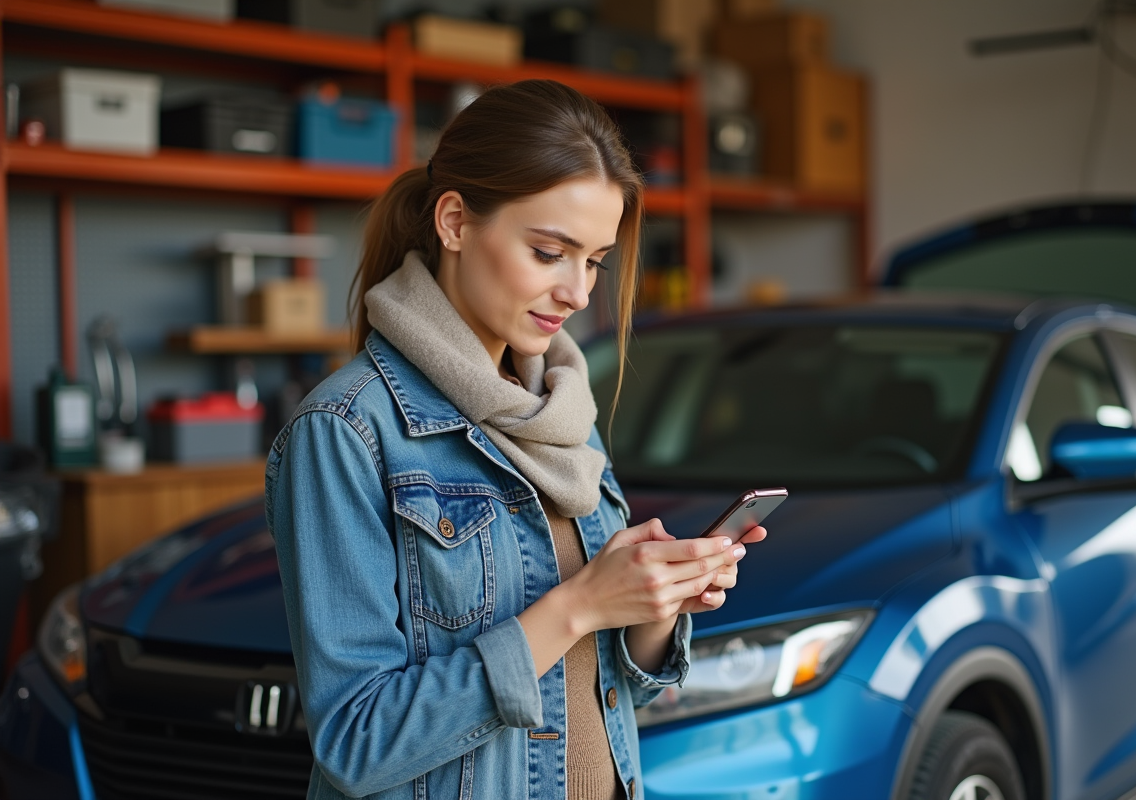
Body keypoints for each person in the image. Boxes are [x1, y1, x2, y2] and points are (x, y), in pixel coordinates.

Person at [266, 79, 767, 800]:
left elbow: (599, 696)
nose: (580, 292)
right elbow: (356, 741)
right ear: (455, 223)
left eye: (593, 260)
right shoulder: (346, 432)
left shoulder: (561, 409)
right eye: (548, 252)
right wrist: (578, 605)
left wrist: (651, 608)